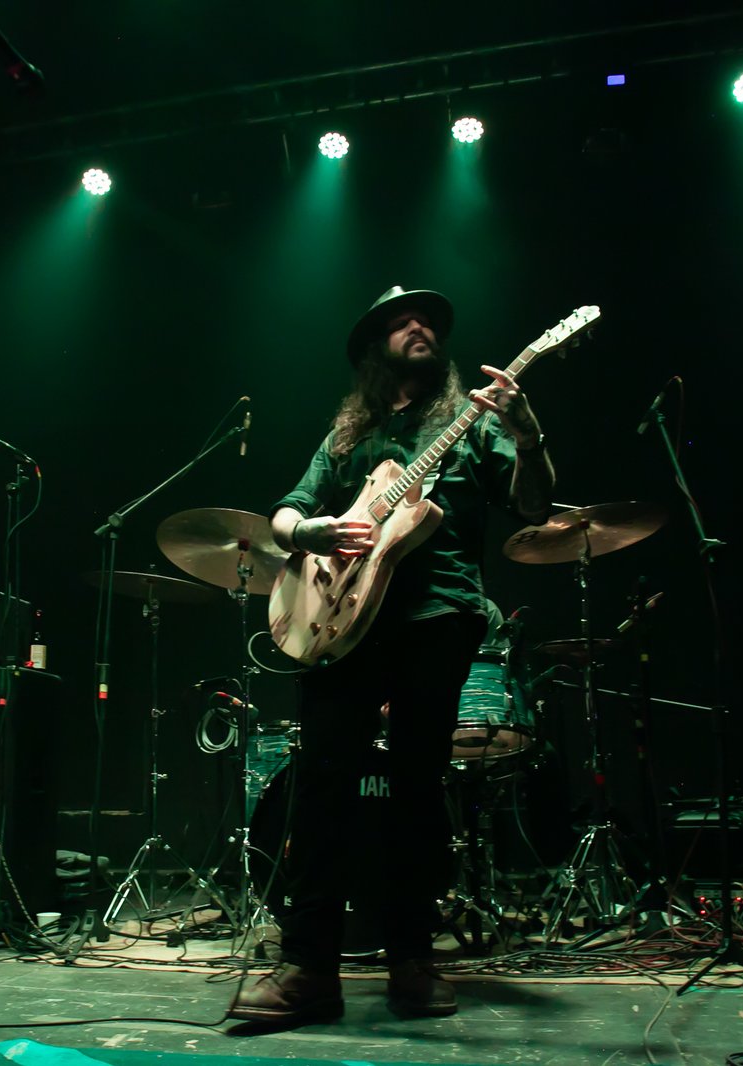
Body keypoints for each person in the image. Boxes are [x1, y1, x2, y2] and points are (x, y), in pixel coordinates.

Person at [229, 285, 557, 1023]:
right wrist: (310, 533)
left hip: (437, 615)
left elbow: (534, 506)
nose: (420, 326)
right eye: (402, 321)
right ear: (375, 347)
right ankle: (309, 969)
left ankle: (413, 959)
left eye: (428, 320)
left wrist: (529, 435)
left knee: (418, 786)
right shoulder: (349, 436)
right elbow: (286, 512)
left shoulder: (475, 421)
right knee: (321, 786)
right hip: (342, 623)